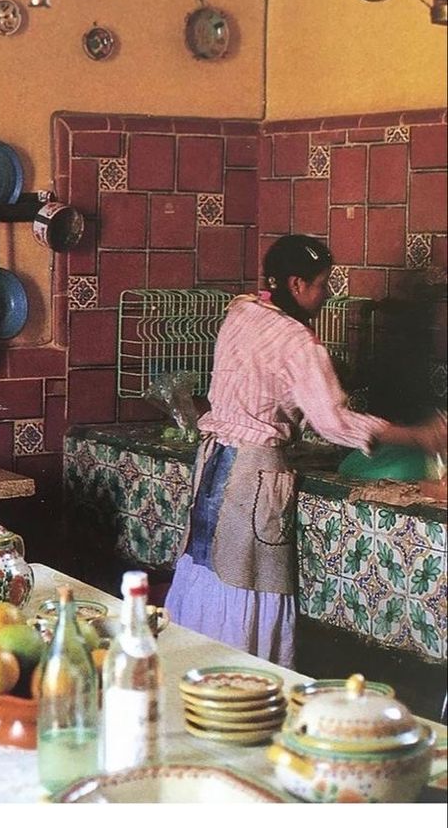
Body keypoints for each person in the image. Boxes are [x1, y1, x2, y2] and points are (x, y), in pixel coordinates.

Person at [164, 234, 447, 668]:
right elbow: (334, 423)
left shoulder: (242, 311)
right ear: (296, 285)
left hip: (215, 460)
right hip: (254, 473)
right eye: (322, 283)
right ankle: (244, 684)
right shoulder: (298, 342)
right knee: (248, 581)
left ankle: (193, 673)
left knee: (208, 570)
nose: (327, 293)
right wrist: (420, 436)